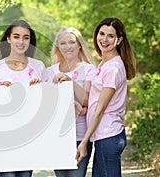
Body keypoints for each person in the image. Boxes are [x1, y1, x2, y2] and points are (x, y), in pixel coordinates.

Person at [76, 17, 136, 177]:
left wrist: (84, 142)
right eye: (101, 33)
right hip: (104, 136)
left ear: (119, 40)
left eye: (110, 36)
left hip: (108, 136)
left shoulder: (113, 68)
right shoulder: (104, 64)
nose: (104, 39)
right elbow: (94, 100)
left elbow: (100, 109)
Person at [0, 20, 46, 177]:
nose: (21, 41)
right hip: (4, 138)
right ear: (8, 39)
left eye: (26, 37)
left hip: (29, 138)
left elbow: (47, 104)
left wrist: (40, 89)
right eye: (17, 36)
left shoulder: (39, 67)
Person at [44, 27, 95, 177]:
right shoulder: (49, 72)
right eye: (63, 43)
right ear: (58, 47)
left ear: (79, 45)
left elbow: (88, 100)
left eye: (72, 42)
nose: (68, 47)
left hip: (79, 137)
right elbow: (44, 105)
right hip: (56, 136)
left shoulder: (89, 70)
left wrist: (70, 82)